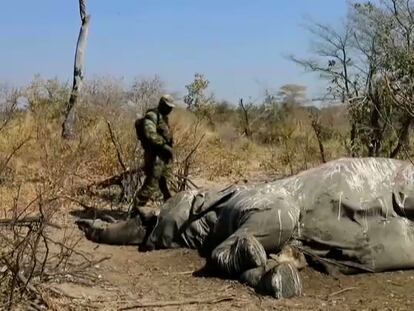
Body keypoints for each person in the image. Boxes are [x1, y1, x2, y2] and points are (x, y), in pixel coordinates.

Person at [132, 94, 176, 216]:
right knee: (151, 184)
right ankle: (135, 212)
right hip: (154, 156)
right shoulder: (152, 116)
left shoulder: (163, 118)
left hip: (162, 157)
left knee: (164, 183)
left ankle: (171, 210)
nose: (170, 110)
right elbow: (150, 134)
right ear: (162, 105)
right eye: (168, 107)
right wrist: (164, 145)